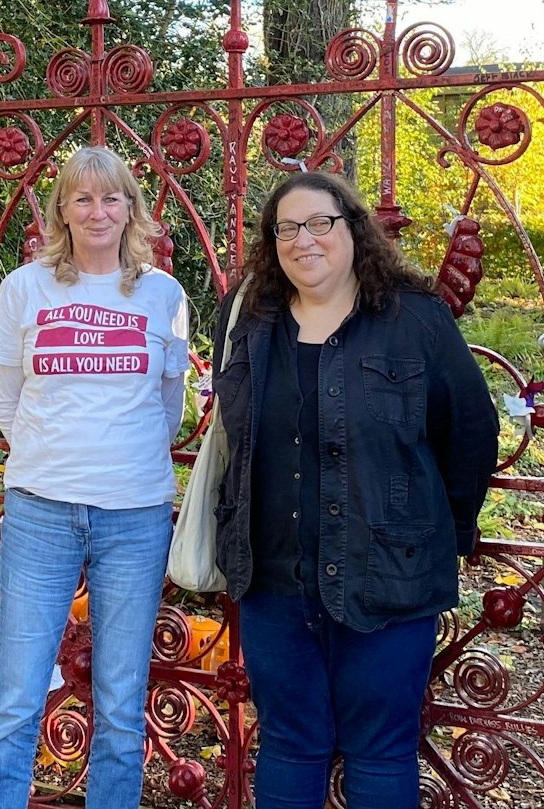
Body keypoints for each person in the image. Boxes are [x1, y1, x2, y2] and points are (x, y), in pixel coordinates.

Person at [210, 170, 498, 809]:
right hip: (272, 580)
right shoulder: (252, 324)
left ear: (353, 230)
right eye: (286, 228)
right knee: (290, 743)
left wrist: (441, 530)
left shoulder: (413, 319)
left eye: (320, 223)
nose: (303, 240)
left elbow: (470, 431)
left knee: (380, 749)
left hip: (388, 577)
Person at [0, 145, 191, 809]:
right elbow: (5, 396)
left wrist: (117, 459)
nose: (98, 211)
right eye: (83, 198)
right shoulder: (25, 288)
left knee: (122, 704)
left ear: (131, 208)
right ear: (62, 211)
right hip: (42, 511)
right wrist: (51, 454)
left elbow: (170, 402)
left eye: (111, 197)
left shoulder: (165, 295)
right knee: (16, 694)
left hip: (135, 517)